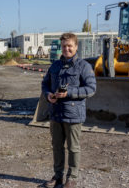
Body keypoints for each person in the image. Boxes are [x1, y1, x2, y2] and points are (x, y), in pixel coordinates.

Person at [41, 33, 96, 188]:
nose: (67, 49)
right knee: (57, 147)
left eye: (70, 46)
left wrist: (69, 92)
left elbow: (91, 89)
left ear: (76, 47)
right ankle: (58, 176)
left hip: (73, 115)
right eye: (64, 46)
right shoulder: (55, 66)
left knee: (73, 148)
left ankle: (71, 178)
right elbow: (45, 84)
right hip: (56, 113)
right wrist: (48, 95)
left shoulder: (84, 66)